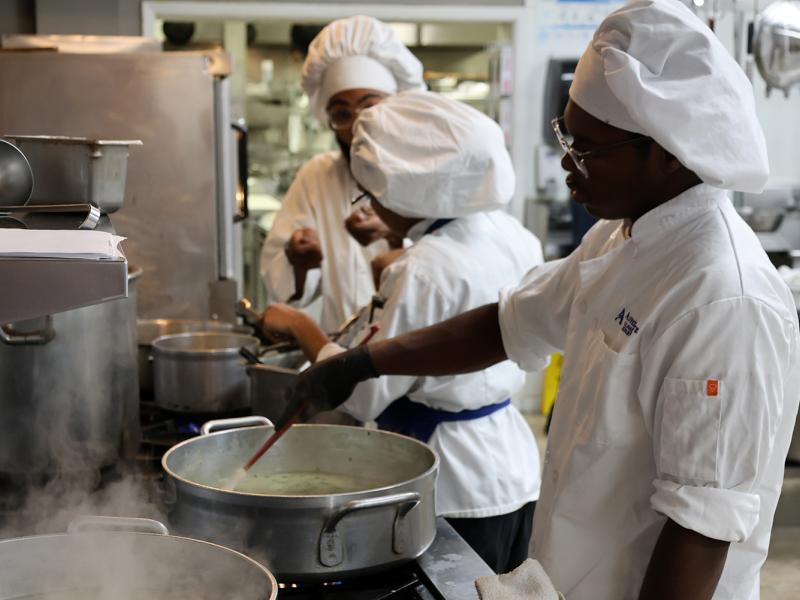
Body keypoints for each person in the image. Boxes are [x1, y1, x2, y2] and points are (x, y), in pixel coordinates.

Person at [273, 1, 800, 598]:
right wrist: (362, 363)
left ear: (669, 153)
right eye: (565, 136)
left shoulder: (721, 297)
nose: (567, 165)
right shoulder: (619, 238)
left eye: (587, 149)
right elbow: (508, 323)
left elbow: (699, 532)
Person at [261, 90, 544, 574]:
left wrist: (299, 325)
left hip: (450, 482)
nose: (370, 204)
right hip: (513, 467)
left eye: (371, 194)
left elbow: (362, 393)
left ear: (405, 189)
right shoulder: (510, 233)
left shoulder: (423, 269)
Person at [259, 16, 423, 332]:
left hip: (417, 346)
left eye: (370, 107)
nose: (358, 125)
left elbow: (453, 265)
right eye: (342, 114)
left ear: (395, 107)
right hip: (340, 347)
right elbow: (284, 286)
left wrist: (395, 231)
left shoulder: (427, 172)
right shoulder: (317, 177)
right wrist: (298, 258)